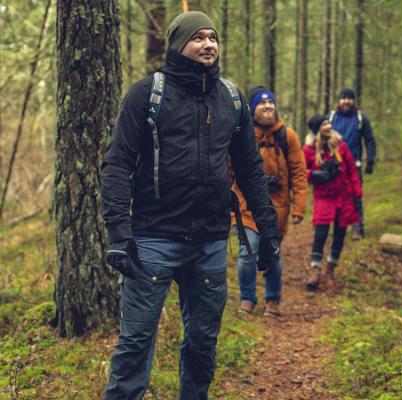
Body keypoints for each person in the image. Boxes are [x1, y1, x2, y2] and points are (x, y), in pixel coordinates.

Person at [100, 11, 279, 400]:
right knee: (135, 342)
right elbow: (116, 165)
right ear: (179, 45)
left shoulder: (231, 98)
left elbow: (250, 168)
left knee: (202, 343)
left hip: (211, 241)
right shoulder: (146, 95)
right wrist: (118, 231)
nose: (209, 44)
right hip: (152, 240)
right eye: (198, 37)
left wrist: (267, 228)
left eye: (213, 37)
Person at [234, 85, 308, 316]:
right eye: (262, 103)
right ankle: (247, 298)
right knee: (248, 250)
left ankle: (273, 300)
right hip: (245, 204)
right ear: (253, 109)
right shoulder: (241, 134)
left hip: (277, 206)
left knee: (272, 251)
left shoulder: (288, 136)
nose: (267, 106)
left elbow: (299, 172)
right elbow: (228, 168)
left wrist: (299, 207)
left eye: (270, 103)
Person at [303, 115, 362, 291]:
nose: (328, 126)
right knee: (320, 233)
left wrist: (357, 195)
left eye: (328, 123)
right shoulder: (309, 149)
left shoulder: (340, 145)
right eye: (324, 124)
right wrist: (313, 175)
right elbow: (299, 169)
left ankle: (330, 270)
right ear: (316, 129)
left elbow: (352, 170)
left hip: (343, 196)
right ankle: (315, 269)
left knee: (340, 233)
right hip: (323, 197)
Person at [327, 88, 376, 240]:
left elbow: (369, 139)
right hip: (333, 165)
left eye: (349, 98)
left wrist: (370, 160)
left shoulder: (361, 118)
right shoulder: (331, 117)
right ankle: (336, 227)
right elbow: (320, 137)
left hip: (354, 165)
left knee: (355, 196)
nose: (346, 101)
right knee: (333, 197)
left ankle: (357, 228)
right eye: (343, 98)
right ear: (338, 100)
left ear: (354, 101)